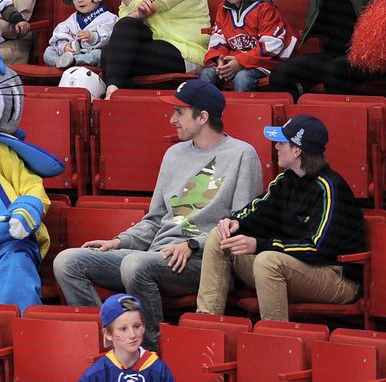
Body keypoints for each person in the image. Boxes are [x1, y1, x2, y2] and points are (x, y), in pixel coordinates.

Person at [53, 80, 262, 350]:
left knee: (136, 265)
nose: (172, 119)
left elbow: (242, 225)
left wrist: (192, 244)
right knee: (67, 262)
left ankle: (149, 355)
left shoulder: (243, 155)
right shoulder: (174, 154)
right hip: (155, 255)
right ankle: (112, 347)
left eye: (179, 112)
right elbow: (155, 220)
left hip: (203, 261)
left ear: (202, 117)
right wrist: (119, 242)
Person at [196, 114, 366, 321]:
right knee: (219, 236)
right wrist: (235, 222)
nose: (276, 147)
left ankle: (275, 338)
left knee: (268, 260)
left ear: (297, 150)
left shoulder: (329, 188)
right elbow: (258, 211)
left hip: (336, 277)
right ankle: (207, 324)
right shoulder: (287, 179)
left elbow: (315, 249)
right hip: (293, 268)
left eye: (281, 142)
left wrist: (260, 244)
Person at [201, 0, 296, 92]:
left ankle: (242, 113)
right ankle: (204, 112)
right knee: (207, 74)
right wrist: (219, 60)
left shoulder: (265, 8)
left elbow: (271, 47)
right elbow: (218, 38)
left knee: (242, 78)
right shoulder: (223, 8)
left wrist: (240, 62)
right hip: (234, 61)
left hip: (266, 64)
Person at [77, 294, 176, 382]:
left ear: (144, 327)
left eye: (137, 326)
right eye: (123, 329)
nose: (132, 335)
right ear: (107, 334)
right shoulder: (98, 373)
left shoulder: (158, 369)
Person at [43, 0, 117, 69]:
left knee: (100, 54)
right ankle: (61, 61)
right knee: (48, 51)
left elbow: (110, 37)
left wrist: (92, 37)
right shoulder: (72, 19)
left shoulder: (109, 18)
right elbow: (60, 33)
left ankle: (74, 62)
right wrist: (65, 46)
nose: (80, 0)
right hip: (71, 53)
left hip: (90, 54)